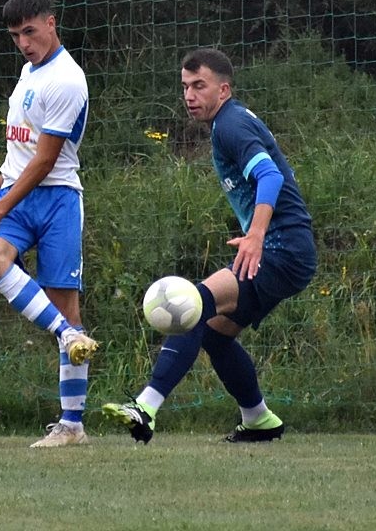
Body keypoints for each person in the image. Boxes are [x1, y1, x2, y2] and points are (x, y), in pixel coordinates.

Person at [102, 47, 317, 443]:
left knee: (194, 304)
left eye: (199, 86)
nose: (189, 95)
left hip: (282, 249)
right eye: (185, 87)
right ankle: (259, 420)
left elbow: (270, 177)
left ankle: (146, 407)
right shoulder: (228, 122)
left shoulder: (231, 125)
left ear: (223, 89)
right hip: (287, 250)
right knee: (216, 335)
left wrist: (256, 236)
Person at [0, 0, 99, 448]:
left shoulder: (67, 80)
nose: (23, 43)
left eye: (30, 32)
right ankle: (66, 334)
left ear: (51, 24)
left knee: (66, 306)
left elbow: (44, 161)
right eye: (15, 35)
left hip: (57, 199)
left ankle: (72, 426)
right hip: (16, 195)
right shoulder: (28, 73)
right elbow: (19, 152)